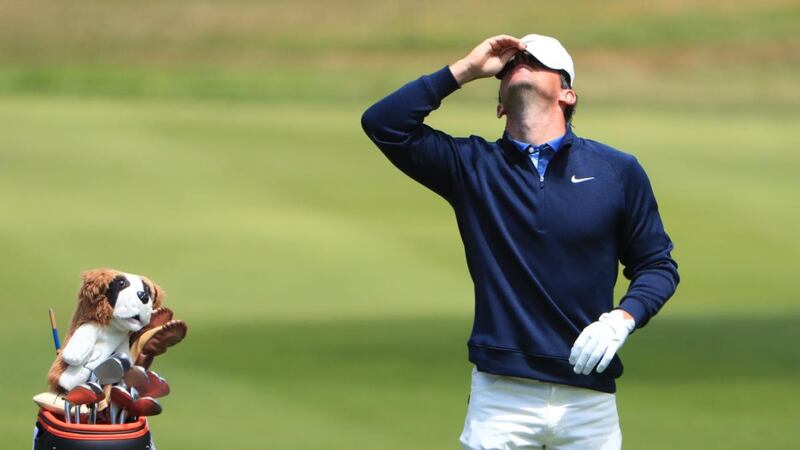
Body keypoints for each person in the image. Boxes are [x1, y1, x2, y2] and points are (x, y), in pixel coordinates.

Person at [361, 34, 679, 449]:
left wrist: (623, 318)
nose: (520, 62)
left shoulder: (617, 171)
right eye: (513, 63)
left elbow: (657, 265)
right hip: (501, 399)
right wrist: (465, 70)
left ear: (568, 93)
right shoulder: (472, 167)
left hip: (588, 399)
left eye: (535, 60)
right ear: (498, 105)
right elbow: (384, 124)